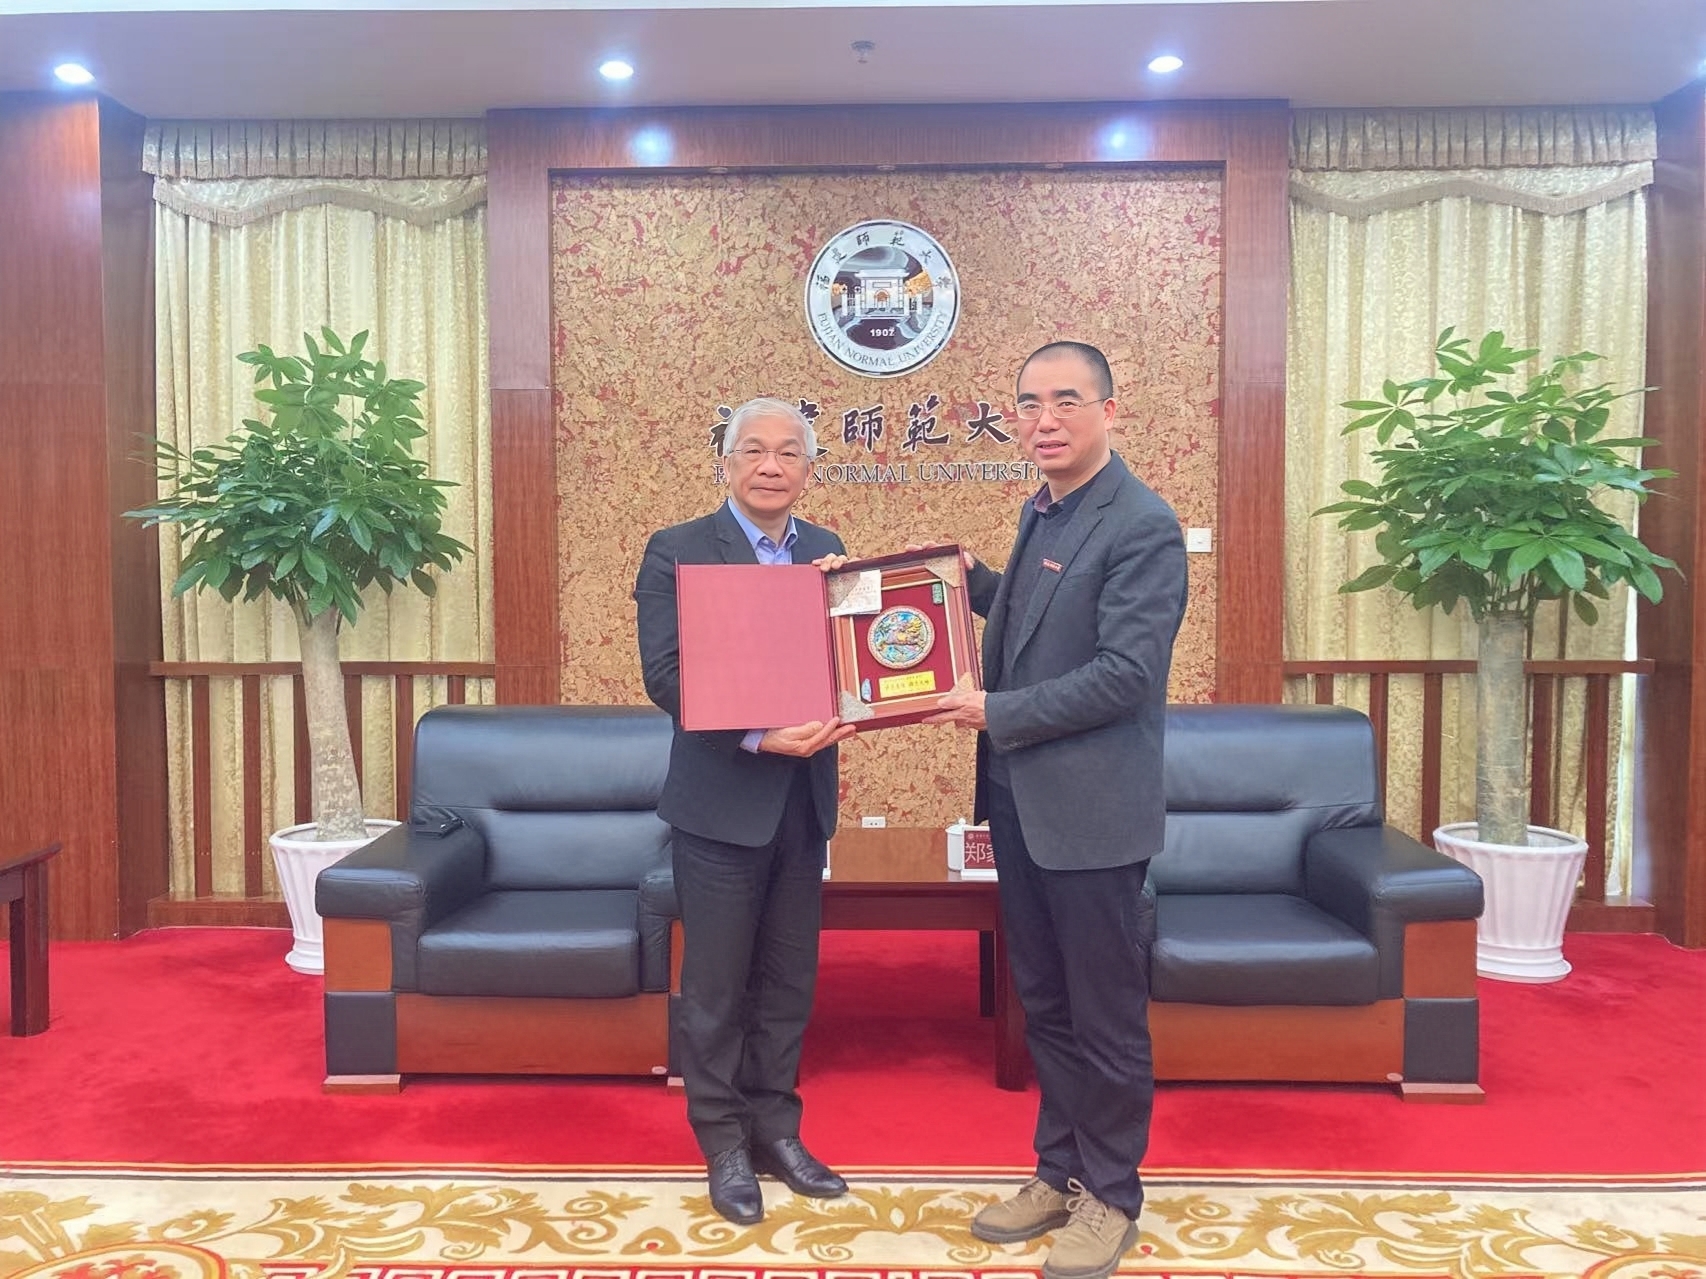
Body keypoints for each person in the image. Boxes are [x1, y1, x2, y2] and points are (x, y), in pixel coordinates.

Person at [927, 342, 1188, 1279]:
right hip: (1022, 803)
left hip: (1093, 815)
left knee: (1103, 1013)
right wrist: (966, 580)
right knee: (1044, 1003)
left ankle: (1111, 1195)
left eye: (1066, 400)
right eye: (1029, 402)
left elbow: (1123, 674)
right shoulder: (1044, 508)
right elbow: (1040, 624)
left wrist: (995, 711)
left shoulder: (1142, 523)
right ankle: (1060, 1170)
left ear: (1109, 411)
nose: (1045, 419)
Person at [633, 397, 856, 1227]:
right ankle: (723, 1141)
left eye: (788, 452)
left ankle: (777, 1130)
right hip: (720, 804)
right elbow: (667, 674)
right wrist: (761, 734)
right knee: (718, 986)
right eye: (753, 450)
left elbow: (843, 664)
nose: (771, 465)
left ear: (809, 468)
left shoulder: (827, 549)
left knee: (787, 983)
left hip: (802, 806)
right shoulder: (678, 549)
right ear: (724, 463)